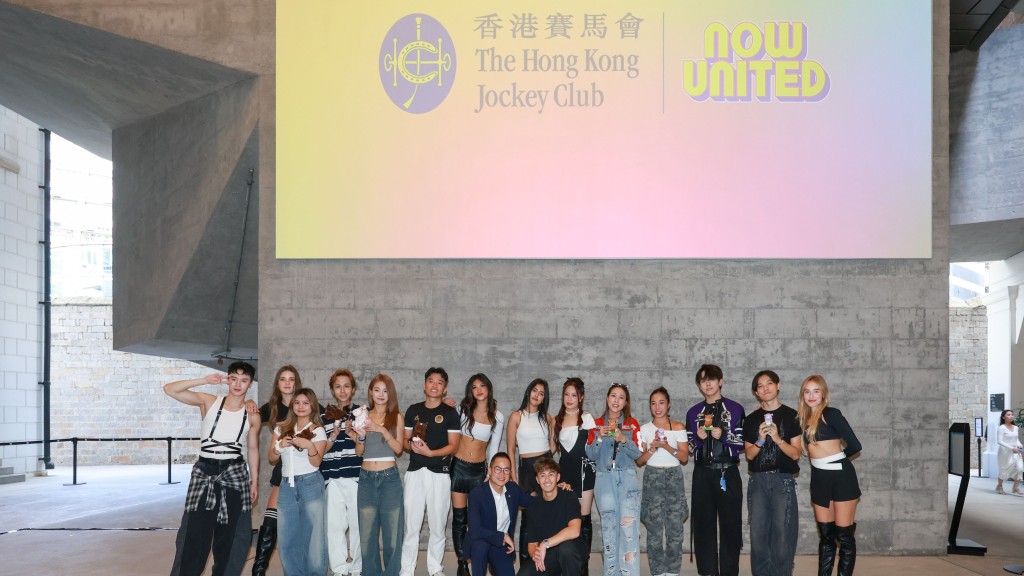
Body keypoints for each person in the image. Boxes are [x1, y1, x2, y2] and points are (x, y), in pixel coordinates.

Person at [165, 362, 261, 576]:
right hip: (204, 472)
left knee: (232, 537)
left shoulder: (252, 414)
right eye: (234, 378)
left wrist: (254, 481)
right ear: (227, 379)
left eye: (244, 380)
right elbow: (170, 389)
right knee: (193, 535)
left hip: (234, 474)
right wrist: (204, 380)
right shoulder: (209, 402)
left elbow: (253, 448)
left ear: (250, 384)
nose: (238, 384)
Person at [685, 364, 746, 576]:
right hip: (702, 472)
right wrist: (698, 441)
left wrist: (725, 435)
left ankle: (729, 572)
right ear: (699, 385)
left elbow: (743, 443)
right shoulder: (693, 412)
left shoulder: (735, 408)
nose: (707, 384)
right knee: (703, 525)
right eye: (703, 380)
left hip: (727, 471)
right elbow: (688, 447)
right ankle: (707, 571)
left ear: (720, 381)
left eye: (711, 379)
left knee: (730, 525)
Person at [400, 367, 461, 576]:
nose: (435, 385)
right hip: (415, 472)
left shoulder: (450, 413)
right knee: (411, 525)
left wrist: (431, 452)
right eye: (431, 381)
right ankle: (406, 569)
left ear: (444, 388)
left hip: (439, 473)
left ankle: (435, 568)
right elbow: (405, 443)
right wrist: (413, 445)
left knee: (437, 525)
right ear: (424, 385)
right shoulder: (413, 410)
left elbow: (453, 446)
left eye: (440, 382)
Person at [798, 375, 861, 576]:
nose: (811, 395)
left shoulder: (831, 414)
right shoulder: (802, 418)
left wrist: (836, 461)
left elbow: (855, 445)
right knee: (826, 536)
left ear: (823, 393)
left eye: (816, 391)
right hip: (819, 479)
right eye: (807, 391)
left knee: (844, 537)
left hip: (842, 479)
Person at [742, 371, 802, 576]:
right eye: (760, 385)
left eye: (769, 383)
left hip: (782, 481)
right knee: (758, 535)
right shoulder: (750, 420)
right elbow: (749, 455)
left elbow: (795, 454)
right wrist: (760, 439)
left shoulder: (792, 416)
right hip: (757, 481)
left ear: (778, 386)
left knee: (783, 534)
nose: (765, 388)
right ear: (756, 392)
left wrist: (777, 438)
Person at [269, 387, 328, 576]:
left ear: (312, 406)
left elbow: (316, 462)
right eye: (297, 402)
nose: (301, 406)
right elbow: (271, 457)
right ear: (292, 405)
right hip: (286, 486)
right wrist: (279, 447)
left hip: (311, 484)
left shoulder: (317, 430)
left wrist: (309, 445)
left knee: (314, 540)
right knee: (287, 540)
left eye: (305, 402)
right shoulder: (281, 427)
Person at [451, 373, 506, 576]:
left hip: (478, 472)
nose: (479, 390)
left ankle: (481, 558)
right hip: (458, 468)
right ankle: (462, 562)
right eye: (474, 387)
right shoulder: (461, 410)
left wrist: (489, 474)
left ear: (489, 388)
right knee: (459, 518)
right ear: (470, 391)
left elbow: (494, 449)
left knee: (477, 521)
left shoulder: (497, 416)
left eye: (482, 385)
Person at [585, 383, 642, 576]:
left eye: (621, 397)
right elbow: (591, 454)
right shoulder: (597, 424)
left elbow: (638, 454)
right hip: (604, 479)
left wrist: (623, 439)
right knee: (609, 530)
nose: (616, 401)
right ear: (607, 398)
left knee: (629, 530)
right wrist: (599, 437)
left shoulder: (632, 424)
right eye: (613, 396)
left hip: (627, 478)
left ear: (626, 402)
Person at [353, 374, 406, 576]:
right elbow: (359, 452)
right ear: (370, 392)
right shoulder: (362, 415)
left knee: (392, 534)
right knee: (367, 535)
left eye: (385, 390)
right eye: (377, 390)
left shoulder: (397, 417)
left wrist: (382, 430)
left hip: (389, 479)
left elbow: (399, 449)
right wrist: (360, 435)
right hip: (366, 478)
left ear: (390, 393)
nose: (381, 394)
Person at [636, 386, 689, 576]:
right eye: (653, 403)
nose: (657, 407)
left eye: (661, 402)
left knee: (675, 530)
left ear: (668, 404)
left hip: (674, 477)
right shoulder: (644, 429)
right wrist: (651, 448)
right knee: (654, 530)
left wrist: (666, 445)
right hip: (652, 478)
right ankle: (657, 571)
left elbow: (684, 457)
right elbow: (640, 460)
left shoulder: (678, 427)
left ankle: (673, 571)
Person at [253, 365, 299, 576]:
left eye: (291, 379)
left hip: (307, 468)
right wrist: (248, 404)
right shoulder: (270, 408)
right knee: (271, 519)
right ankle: (259, 568)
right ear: (278, 383)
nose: (287, 383)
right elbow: (248, 419)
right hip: (282, 467)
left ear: (296, 382)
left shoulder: (306, 404)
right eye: (283, 379)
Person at [506, 378, 556, 561]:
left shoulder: (547, 418)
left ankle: (547, 560)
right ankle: (527, 563)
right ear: (528, 392)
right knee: (528, 519)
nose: (537, 395)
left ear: (544, 398)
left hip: (547, 467)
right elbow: (511, 449)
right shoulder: (516, 416)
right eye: (535, 390)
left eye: (541, 393)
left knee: (548, 516)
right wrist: (513, 476)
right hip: (527, 470)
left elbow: (552, 447)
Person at [320, 370, 363, 576]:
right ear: (332, 390)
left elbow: (366, 446)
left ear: (353, 389)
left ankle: (356, 568)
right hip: (332, 476)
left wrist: (352, 433)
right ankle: (338, 568)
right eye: (338, 386)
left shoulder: (361, 413)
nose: (343, 390)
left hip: (355, 475)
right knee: (334, 526)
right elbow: (319, 447)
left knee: (357, 524)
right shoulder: (323, 416)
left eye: (347, 386)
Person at [553, 378, 597, 575]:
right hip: (565, 474)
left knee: (584, 519)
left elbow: (595, 446)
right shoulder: (556, 420)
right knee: (566, 519)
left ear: (581, 397)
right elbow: (552, 449)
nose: (569, 399)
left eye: (574, 395)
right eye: (566, 394)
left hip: (585, 473)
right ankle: (567, 563)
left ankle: (583, 565)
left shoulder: (587, 418)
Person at [465, 452, 533, 576]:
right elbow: (475, 531)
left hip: (501, 546)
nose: (502, 474)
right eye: (498, 469)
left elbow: (533, 503)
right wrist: (503, 536)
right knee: (480, 548)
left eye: (506, 470)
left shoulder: (513, 489)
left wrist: (553, 490)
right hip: (481, 541)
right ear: (490, 470)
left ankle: (494, 565)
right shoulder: (476, 494)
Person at [517, 457, 583, 576]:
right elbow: (532, 544)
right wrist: (536, 556)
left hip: (571, 553)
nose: (547, 479)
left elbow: (575, 530)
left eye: (551, 474)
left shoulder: (569, 496)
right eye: (542, 475)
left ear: (558, 477)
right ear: (537, 479)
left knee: (566, 549)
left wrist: (545, 543)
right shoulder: (533, 505)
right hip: (548, 555)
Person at [995, 409, 1023, 495]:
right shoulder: (1001, 428)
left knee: (1020, 468)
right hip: (1005, 452)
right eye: (1008, 415)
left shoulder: (1016, 427)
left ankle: (1015, 487)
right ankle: (1000, 486)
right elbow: (999, 441)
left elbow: (1016, 439)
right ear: (1003, 417)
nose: (1011, 416)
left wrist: (1020, 446)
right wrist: (1011, 448)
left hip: (1015, 451)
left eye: (1012, 414)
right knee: (1004, 470)